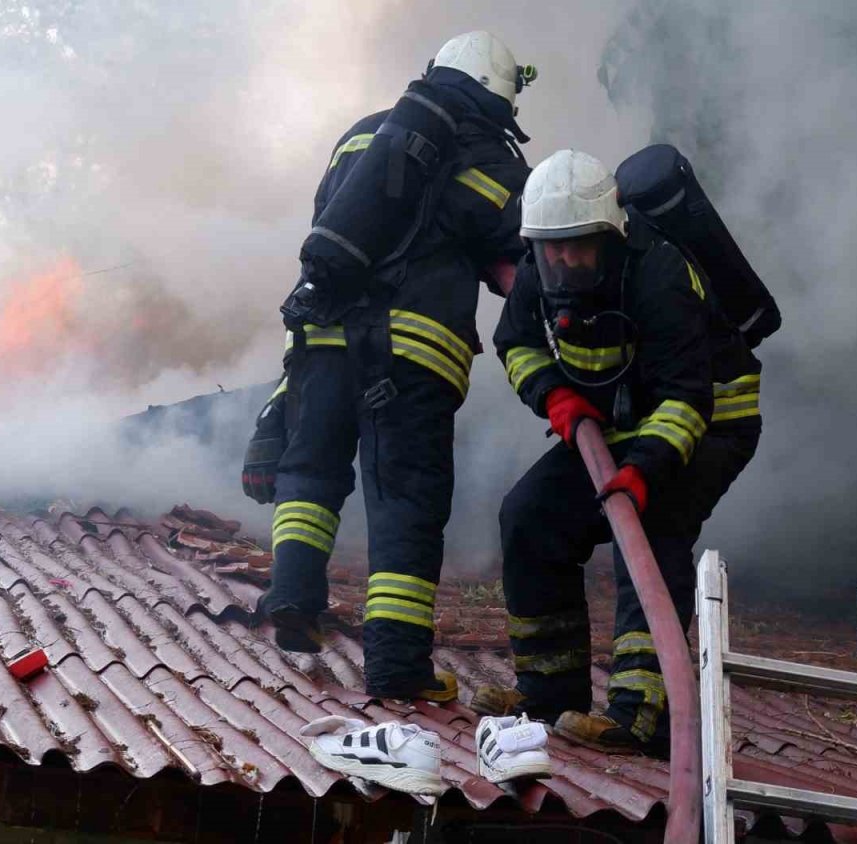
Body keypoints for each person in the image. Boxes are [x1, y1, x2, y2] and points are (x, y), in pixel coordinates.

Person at [241, 31, 533, 702]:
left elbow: (330, 230)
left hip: (323, 339)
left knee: (311, 470)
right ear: (498, 94)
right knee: (406, 502)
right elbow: (521, 256)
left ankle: (292, 595)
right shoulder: (487, 156)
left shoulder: (361, 138)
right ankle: (398, 665)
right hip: (412, 351)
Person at [475, 149, 763, 755]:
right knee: (528, 515)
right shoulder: (540, 262)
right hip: (610, 427)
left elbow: (688, 402)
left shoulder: (659, 273)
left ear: (610, 236)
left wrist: (642, 473)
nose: (561, 260)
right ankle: (549, 695)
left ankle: (642, 716)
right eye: (549, 247)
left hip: (710, 423)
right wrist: (554, 397)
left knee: (653, 525)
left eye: (576, 245)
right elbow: (516, 342)